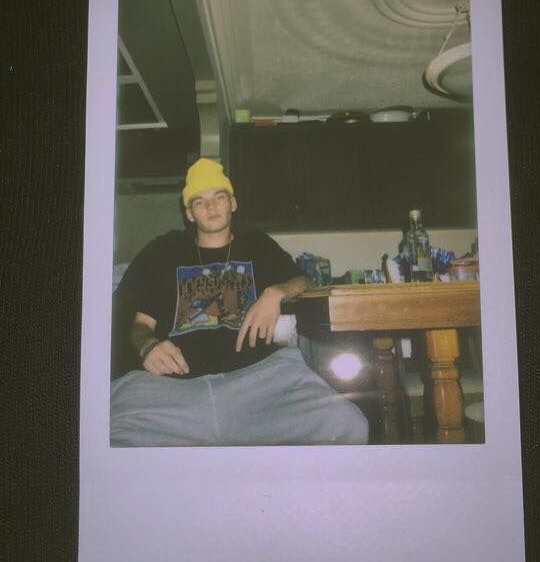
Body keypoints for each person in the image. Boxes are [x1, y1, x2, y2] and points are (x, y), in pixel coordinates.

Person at [110, 158, 369, 447]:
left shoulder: (258, 244)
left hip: (260, 383)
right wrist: (147, 345)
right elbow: (140, 325)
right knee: (107, 441)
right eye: (199, 201)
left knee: (348, 425)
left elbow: (306, 283)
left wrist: (276, 292)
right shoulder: (164, 251)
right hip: (172, 391)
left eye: (219, 197)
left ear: (233, 203)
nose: (211, 206)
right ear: (189, 214)